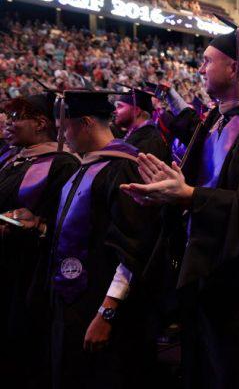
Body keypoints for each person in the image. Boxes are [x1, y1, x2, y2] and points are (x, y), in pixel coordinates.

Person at [121, 24, 239, 388]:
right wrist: (165, 194)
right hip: (208, 280)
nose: (200, 69)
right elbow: (194, 187)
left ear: (234, 68)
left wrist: (188, 195)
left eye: (207, 61)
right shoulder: (217, 119)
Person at [49, 91, 160, 389]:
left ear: (84, 123)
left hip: (101, 304)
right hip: (74, 298)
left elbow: (133, 244)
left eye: (66, 127)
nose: (63, 135)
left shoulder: (123, 166)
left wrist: (106, 312)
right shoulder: (85, 165)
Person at [0, 94, 79, 388]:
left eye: (16, 117)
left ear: (41, 123)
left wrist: (36, 226)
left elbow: (66, 224)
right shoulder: (11, 157)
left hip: (28, 273)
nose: (8, 123)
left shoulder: (62, 164)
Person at [114, 88, 170, 161]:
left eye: (120, 106)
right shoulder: (139, 135)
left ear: (136, 111)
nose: (115, 111)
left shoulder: (149, 142)